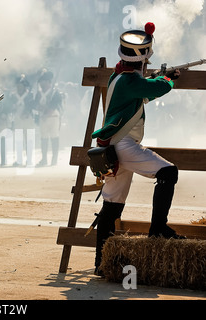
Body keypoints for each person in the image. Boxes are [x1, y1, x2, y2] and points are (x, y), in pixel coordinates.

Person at [92, 22, 184, 276]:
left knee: (112, 206)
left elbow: (143, 93)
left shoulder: (118, 76)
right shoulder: (130, 81)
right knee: (169, 173)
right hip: (123, 145)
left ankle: (102, 262)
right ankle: (158, 229)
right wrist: (168, 78)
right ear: (142, 60)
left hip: (112, 147)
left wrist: (155, 78)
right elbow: (159, 88)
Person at [34, 69, 63, 166]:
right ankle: (44, 159)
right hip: (43, 118)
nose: (41, 84)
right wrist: (41, 108)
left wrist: (47, 109)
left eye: (43, 81)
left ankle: (54, 160)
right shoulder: (39, 94)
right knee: (44, 139)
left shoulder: (55, 93)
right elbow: (36, 105)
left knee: (54, 137)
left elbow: (55, 106)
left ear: (47, 82)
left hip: (53, 117)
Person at [7, 74, 35, 166]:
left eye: (21, 86)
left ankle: (29, 160)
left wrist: (27, 111)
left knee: (29, 141)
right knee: (19, 141)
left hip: (28, 119)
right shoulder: (13, 96)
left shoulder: (30, 95)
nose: (19, 87)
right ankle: (19, 160)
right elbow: (10, 107)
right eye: (18, 86)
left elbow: (31, 105)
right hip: (18, 119)